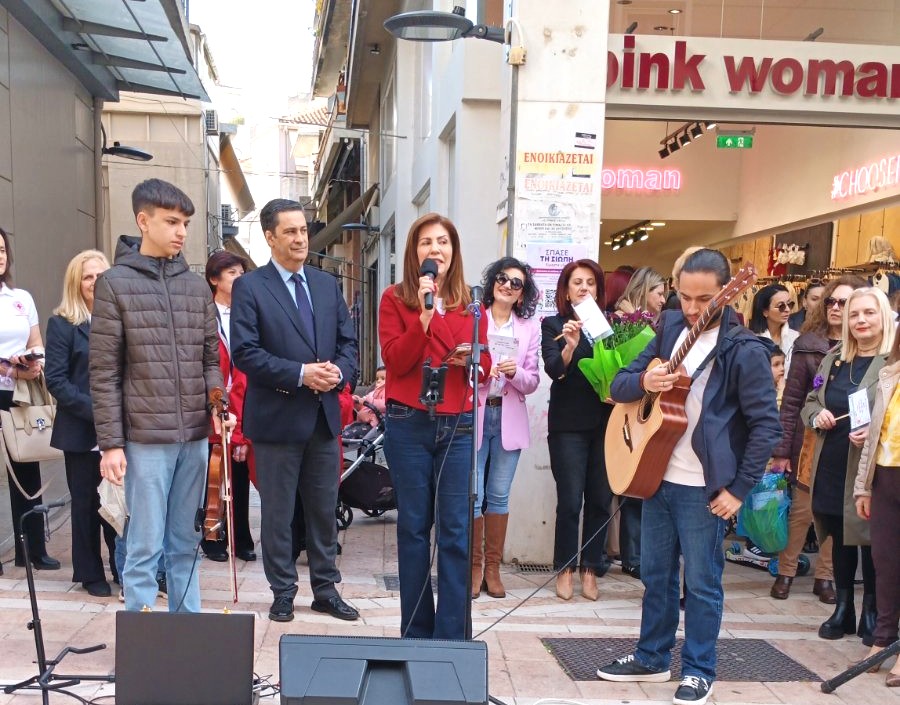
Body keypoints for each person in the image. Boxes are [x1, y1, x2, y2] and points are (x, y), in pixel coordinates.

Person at [597, 248, 781, 705]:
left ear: (727, 291)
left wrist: (739, 490)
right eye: (685, 296)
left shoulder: (744, 349)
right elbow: (619, 383)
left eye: (705, 298)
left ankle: (699, 669)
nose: (694, 308)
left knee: (701, 582)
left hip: (704, 488)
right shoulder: (670, 327)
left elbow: (766, 426)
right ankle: (652, 656)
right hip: (656, 476)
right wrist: (646, 383)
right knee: (656, 576)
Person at [90, 179, 228, 613]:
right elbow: (104, 371)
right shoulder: (114, 284)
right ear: (143, 221)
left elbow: (211, 359)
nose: (181, 231)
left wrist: (217, 406)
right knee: (144, 546)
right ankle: (144, 645)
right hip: (145, 439)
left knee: (185, 543)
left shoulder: (194, 286)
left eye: (184, 222)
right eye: (171, 221)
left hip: (195, 435)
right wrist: (111, 443)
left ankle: (185, 641)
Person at [231, 198, 358, 623]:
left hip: (323, 418)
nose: (300, 238)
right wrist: (301, 373)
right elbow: (246, 353)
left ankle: (326, 589)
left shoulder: (325, 285)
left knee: (324, 510)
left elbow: (349, 344)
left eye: (303, 230)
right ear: (270, 237)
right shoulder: (251, 287)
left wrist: (337, 373)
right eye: (290, 231)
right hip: (277, 420)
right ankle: (282, 590)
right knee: (279, 513)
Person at [378, 212, 490, 639]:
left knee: (457, 531)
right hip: (408, 423)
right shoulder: (395, 299)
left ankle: (453, 636)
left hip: (457, 425)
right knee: (412, 528)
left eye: (442, 241)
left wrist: (445, 330)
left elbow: (484, 361)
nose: (434, 249)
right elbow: (398, 360)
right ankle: (416, 632)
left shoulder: (470, 303)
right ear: (414, 252)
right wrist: (425, 318)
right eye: (426, 242)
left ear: (453, 251)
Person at [802, 286, 893, 644]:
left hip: (870, 467)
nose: (860, 320)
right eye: (854, 314)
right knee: (839, 535)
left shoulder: (892, 363)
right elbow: (810, 399)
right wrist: (817, 415)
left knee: (870, 539)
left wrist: (876, 430)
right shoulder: (835, 359)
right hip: (833, 460)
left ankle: (872, 610)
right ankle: (843, 609)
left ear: (883, 316)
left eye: (869, 313)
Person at [769, 275, 867, 603]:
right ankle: (786, 570)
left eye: (844, 302)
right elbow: (794, 399)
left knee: (835, 512)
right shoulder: (809, 344)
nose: (836, 308)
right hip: (810, 439)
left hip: (852, 441)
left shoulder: (872, 349)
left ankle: (825, 576)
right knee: (802, 510)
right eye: (831, 302)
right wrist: (782, 450)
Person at [541, 259, 614, 601]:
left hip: (606, 424)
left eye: (590, 283)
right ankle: (566, 568)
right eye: (577, 282)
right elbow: (554, 371)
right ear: (566, 290)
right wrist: (569, 345)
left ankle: (591, 569)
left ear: (599, 289)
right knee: (570, 500)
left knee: (600, 499)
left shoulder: (610, 327)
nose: (584, 288)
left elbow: (622, 368)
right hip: (568, 425)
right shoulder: (553, 323)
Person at [45, 250, 117, 596]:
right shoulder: (62, 323)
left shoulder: (119, 320)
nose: (96, 282)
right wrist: (98, 409)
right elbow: (56, 381)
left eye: (102, 275)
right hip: (81, 430)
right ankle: (90, 573)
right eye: (88, 277)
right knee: (87, 503)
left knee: (118, 504)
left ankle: (123, 567)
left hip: (119, 430)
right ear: (77, 282)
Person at [472, 256, 540, 599]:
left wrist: (514, 373)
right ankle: (473, 568)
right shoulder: (474, 318)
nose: (508, 285)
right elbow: (460, 368)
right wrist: (484, 373)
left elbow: (532, 382)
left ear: (522, 292)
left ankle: (493, 570)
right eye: (502, 278)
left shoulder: (529, 328)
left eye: (516, 282)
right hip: (477, 413)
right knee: (474, 494)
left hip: (508, 415)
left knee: (498, 494)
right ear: (492, 281)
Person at [0, 226, 60, 571]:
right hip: (7, 381)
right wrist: (9, 370)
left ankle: (32, 550)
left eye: (3, 249)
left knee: (26, 471)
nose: (0, 255)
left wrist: (34, 361)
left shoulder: (20, 298)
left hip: (20, 395)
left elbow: (36, 341)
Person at [608, 266, 667, 580]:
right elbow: (619, 372)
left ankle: (642, 554)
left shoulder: (657, 326)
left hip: (653, 414)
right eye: (659, 293)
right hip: (627, 412)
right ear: (645, 290)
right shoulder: (624, 323)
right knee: (630, 487)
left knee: (645, 485)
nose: (663, 299)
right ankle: (631, 555)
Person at [199, 251, 256, 564]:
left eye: (242, 272)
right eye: (232, 272)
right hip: (213, 399)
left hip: (244, 399)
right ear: (214, 279)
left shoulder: (250, 313)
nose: (239, 278)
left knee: (240, 470)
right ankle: (212, 533)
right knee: (214, 472)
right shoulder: (204, 314)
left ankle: (241, 535)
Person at [854, 318, 900, 687]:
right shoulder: (890, 373)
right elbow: (874, 435)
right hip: (885, 479)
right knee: (885, 562)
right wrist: (863, 487)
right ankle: (883, 639)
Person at [749, 283, 799, 372]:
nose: (787, 309)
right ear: (765, 311)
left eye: (789, 304)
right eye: (781, 306)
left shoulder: (796, 338)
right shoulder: (752, 340)